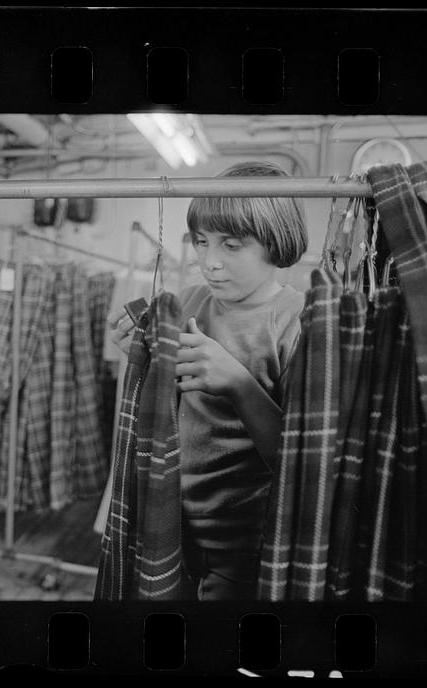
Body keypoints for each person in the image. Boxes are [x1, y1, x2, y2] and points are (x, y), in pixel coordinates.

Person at [109, 161, 308, 600]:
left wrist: (239, 383)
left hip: (245, 546)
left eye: (231, 245)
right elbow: (168, 403)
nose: (210, 262)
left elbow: (299, 462)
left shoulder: (297, 320)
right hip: (172, 524)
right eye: (201, 242)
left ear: (275, 244)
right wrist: (142, 359)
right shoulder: (192, 301)